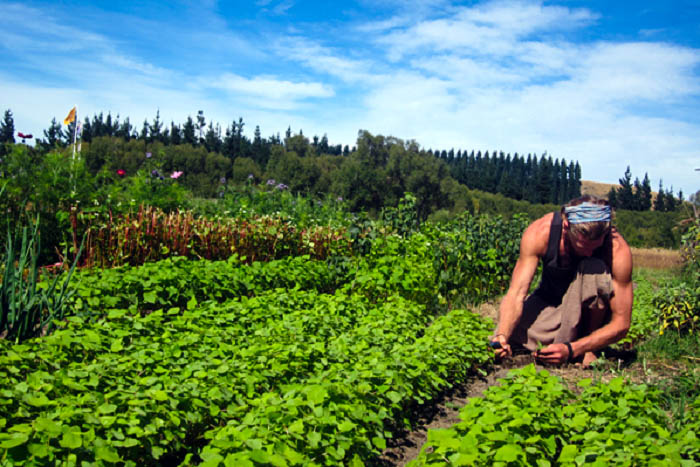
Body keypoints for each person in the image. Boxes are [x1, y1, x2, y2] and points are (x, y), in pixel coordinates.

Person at [491, 195, 633, 366]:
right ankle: (560, 339)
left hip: (594, 313)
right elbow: (516, 293)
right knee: (509, 336)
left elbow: (622, 323)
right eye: (583, 246)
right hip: (552, 303)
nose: (589, 252)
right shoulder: (540, 233)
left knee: (593, 266)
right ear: (566, 227)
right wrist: (503, 336)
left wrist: (573, 349)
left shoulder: (617, 249)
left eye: (595, 246)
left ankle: (588, 347)